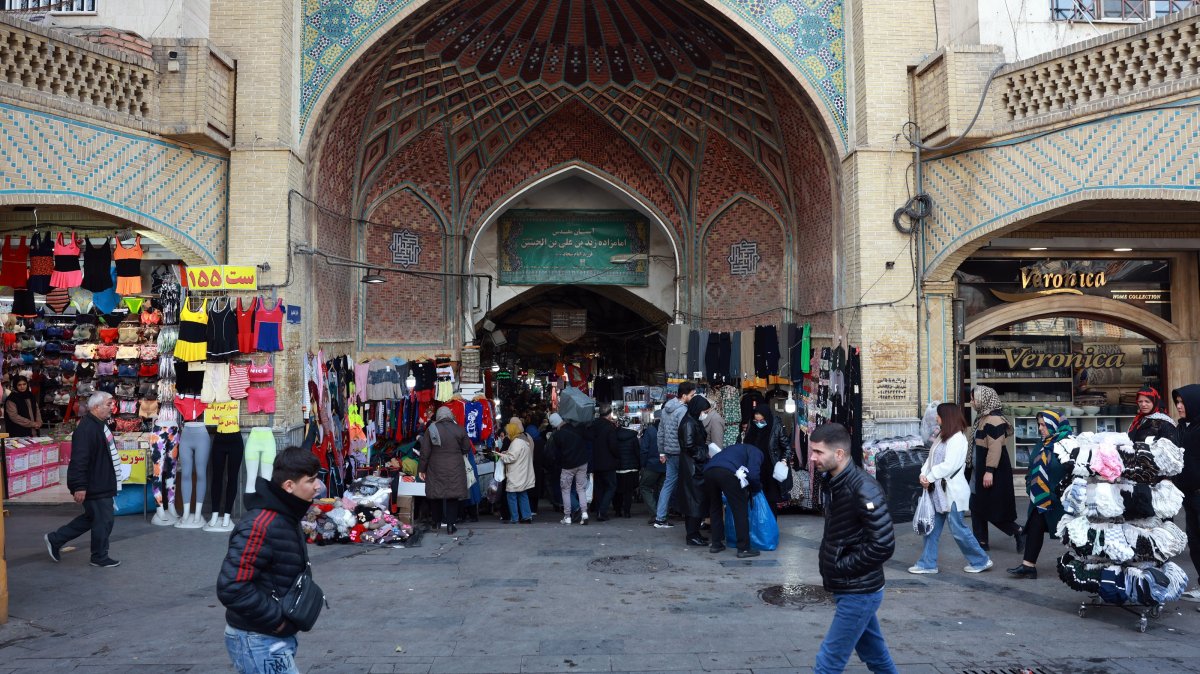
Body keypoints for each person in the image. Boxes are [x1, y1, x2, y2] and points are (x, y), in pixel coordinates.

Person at [217, 446, 322, 674]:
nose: (317, 486)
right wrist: (277, 621)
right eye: (311, 480)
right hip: (257, 638)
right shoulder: (261, 524)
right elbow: (231, 586)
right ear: (289, 486)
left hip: (269, 637)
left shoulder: (285, 514)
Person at [811, 422, 898, 674]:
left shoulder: (863, 488)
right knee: (876, 657)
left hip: (859, 591)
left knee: (827, 663)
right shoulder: (835, 483)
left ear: (839, 454)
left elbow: (883, 544)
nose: (813, 457)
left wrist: (841, 567)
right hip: (851, 587)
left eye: (818, 452)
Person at [908, 403, 993, 574]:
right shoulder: (943, 436)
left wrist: (930, 477)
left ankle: (981, 560)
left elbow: (949, 465)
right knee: (931, 528)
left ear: (947, 417)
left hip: (952, 491)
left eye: (939, 415)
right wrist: (923, 475)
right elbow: (930, 459)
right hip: (938, 490)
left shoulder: (957, 439)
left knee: (958, 528)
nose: (936, 418)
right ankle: (927, 563)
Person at [44, 392, 121, 568]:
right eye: (108, 404)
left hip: (101, 481)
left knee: (91, 518)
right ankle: (99, 557)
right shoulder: (86, 429)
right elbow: (79, 460)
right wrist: (79, 486)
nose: (111, 408)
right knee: (104, 520)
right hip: (95, 484)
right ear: (96, 407)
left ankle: (55, 539)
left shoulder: (99, 425)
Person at [1007, 410, 1069, 579]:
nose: (1040, 428)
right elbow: (1031, 467)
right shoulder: (1041, 444)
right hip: (1042, 497)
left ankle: (1083, 567)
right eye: (1039, 424)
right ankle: (1028, 566)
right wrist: (1030, 486)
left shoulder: (1068, 445)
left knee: (1073, 534)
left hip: (1062, 499)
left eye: (1044, 424)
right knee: (1035, 525)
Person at [969, 386, 1024, 553]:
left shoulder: (994, 420)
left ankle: (1019, 531)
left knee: (991, 508)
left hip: (992, 471)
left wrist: (989, 471)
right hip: (979, 470)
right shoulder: (983, 418)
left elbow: (995, 448)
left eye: (974, 398)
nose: (971, 402)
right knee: (976, 506)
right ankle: (981, 542)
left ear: (983, 399)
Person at [418, 406, 472, 535]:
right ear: (450, 415)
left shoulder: (431, 429)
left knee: (436, 494)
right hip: (455, 466)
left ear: (438, 416)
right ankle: (450, 525)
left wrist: (422, 469)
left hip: (435, 467)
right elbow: (466, 448)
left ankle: (436, 523)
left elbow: (425, 452)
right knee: (452, 496)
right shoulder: (459, 429)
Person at [703, 442, 763, 557]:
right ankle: (744, 548)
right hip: (727, 472)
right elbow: (753, 475)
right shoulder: (757, 452)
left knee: (715, 507)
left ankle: (716, 544)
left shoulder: (735, 448)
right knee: (740, 509)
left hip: (709, 471)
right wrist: (756, 488)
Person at [1171, 385, 1200, 601]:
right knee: (1195, 542)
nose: (1179, 407)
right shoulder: (1182, 428)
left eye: (1183, 402)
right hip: (1188, 495)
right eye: (1178, 402)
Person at [655, 381, 697, 528]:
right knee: (687, 483)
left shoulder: (666, 408)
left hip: (669, 452)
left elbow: (660, 432)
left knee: (668, 484)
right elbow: (685, 433)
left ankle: (660, 518)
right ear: (684, 395)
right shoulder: (682, 410)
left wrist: (661, 451)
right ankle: (690, 515)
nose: (693, 397)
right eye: (692, 395)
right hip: (681, 452)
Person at [676, 395, 712, 546]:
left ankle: (694, 533)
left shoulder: (692, 421)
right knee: (694, 502)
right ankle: (692, 535)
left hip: (695, 466)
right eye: (704, 410)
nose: (705, 413)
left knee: (696, 502)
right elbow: (689, 447)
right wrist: (705, 454)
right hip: (693, 468)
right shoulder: (688, 423)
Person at [742, 407, 793, 506]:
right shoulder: (751, 427)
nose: (759, 423)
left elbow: (787, 447)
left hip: (771, 467)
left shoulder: (776, 427)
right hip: (755, 468)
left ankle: (771, 521)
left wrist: (783, 460)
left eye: (762, 420)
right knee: (755, 498)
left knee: (771, 500)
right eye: (756, 421)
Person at [553, 413, 589, 525]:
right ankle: (584, 513)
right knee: (581, 489)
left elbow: (557, 453)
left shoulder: (557, 435)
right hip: (582, 462)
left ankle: (567, 516)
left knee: (566, 490)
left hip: (568, 466)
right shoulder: (577, 428)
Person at [497, 417, 535, 524]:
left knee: (511, 495)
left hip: (516, 474)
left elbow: (511, 458)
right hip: (523, 472)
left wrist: (500, 455)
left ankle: (515, 518)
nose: (507, 435)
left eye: (508, 432)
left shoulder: (516, 442)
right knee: (522, 494)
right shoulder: (524, 440)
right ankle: (527, 516)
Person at [588, 403, 619, 521]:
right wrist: (617, 456)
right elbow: (613, 446)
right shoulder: (610, 427)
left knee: (599, 487)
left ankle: (598, 510)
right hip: (608, 462)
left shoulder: (593, 425)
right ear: (609, 414)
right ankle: (602, 511)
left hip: (596, 462)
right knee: (611, 486)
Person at [639, 410, 665, 524]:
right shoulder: (668, 429)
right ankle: (663, 513)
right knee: (663, 490)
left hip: (652, 465)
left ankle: (655, 513)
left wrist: (643, 465)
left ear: (654, 418)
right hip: (666, 465)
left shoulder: (650, 431)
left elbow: (644, 450)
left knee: (645, 487)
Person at [613, 416, 641, 518]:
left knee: (617, 491)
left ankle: (617, 511)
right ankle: (627, 512)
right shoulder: (633, 437)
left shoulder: (614, 435)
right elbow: (637, 452)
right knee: (628, 492)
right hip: (631, 468)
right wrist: (639, 465)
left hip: (617, 468)